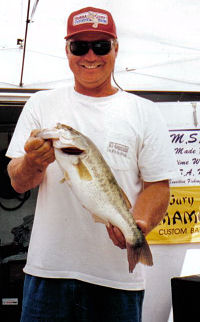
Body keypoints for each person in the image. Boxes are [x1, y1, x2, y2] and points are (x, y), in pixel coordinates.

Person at [7, 6, 177, 322]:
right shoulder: (41, 104)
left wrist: (137, 225)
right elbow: (18, 181)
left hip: (117, 283)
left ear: (115, 48)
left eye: (100, 46)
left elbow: (158, 187)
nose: (90, 55)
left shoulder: (144, 112)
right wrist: (33, 161)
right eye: (79, 46)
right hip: (48, 274)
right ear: (67, 49)